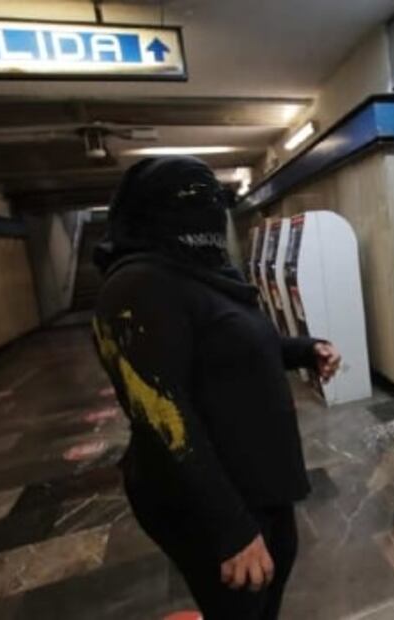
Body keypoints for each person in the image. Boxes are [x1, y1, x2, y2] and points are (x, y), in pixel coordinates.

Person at [92, 156, 341, 619]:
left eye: (211, 197)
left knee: (266, 600)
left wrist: (305, 350)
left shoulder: (205, 276)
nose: (205, 209)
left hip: (257, 482)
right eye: (188, 198)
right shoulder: (135, 286)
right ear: (145, 210)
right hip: (208, 499)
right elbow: (164, 421)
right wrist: (230, 529)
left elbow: (235, 348)